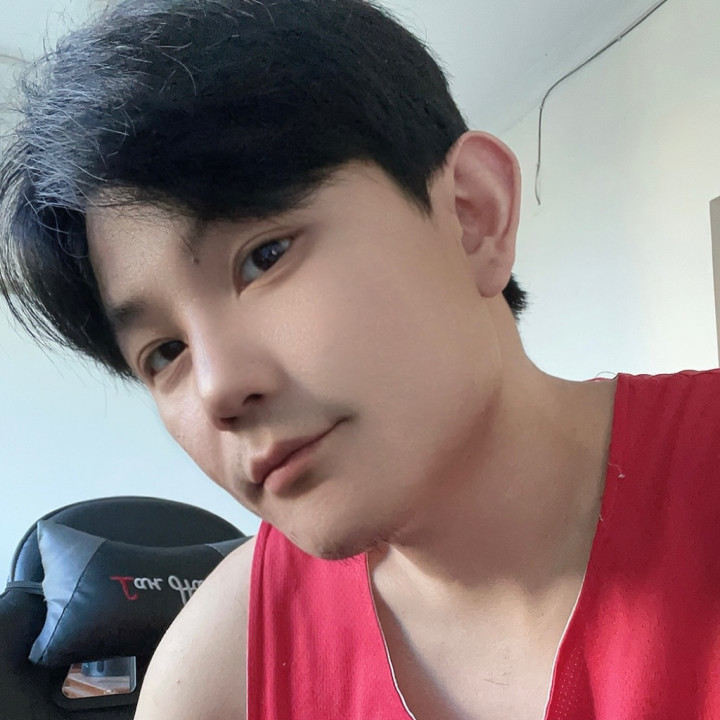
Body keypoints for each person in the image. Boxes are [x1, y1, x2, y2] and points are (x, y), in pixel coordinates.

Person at [1, 0, 719, 718]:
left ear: (472, 215)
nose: (218, 391)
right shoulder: (217, 674)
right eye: (164, 353)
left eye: (264, 257)